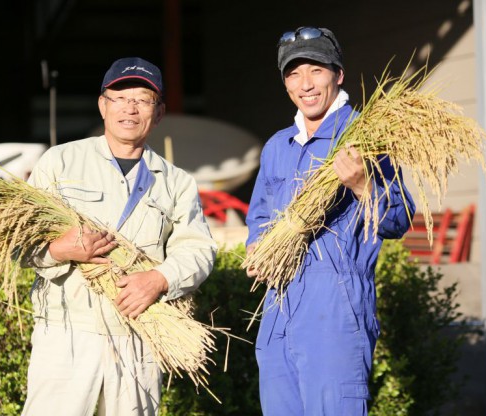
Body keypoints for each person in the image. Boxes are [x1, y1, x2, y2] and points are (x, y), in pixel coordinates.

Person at [21, 57, 217, 416]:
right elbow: (21, 243)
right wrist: (57, 249)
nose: (130, 108)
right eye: (120, 97)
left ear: (158, 113)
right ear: (102, 105)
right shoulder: (60, 162)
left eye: (143, 99)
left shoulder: (176, 181)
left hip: (138, 338)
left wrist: (160, 279)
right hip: (67, 337)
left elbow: (199, 249)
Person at [245, 27, 415, 415]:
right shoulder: (277, 146)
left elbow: (399, 218)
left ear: (337, 74)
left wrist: (362, 185)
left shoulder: (364, 136)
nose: (304, 84)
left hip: (334, 310)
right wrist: (256, 246)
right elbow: (259, 215)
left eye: (315, 70)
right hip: (278, 307)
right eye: (293, 74)